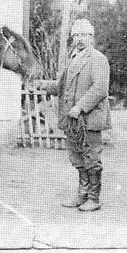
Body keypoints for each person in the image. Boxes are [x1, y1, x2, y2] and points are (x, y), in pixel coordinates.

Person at [37, 18, 111, 212]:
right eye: (76, 35)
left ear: (91, 37)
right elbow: (61, 87)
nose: (80, 39)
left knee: (91, 157)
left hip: (89, 118)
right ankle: (82, 195)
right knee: (77, 157)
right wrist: (43, 85)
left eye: (84, 35)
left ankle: (94, 199)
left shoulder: (97, 59)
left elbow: (100, 88)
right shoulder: (73, 59)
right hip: (72, 120)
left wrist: (79, 107)